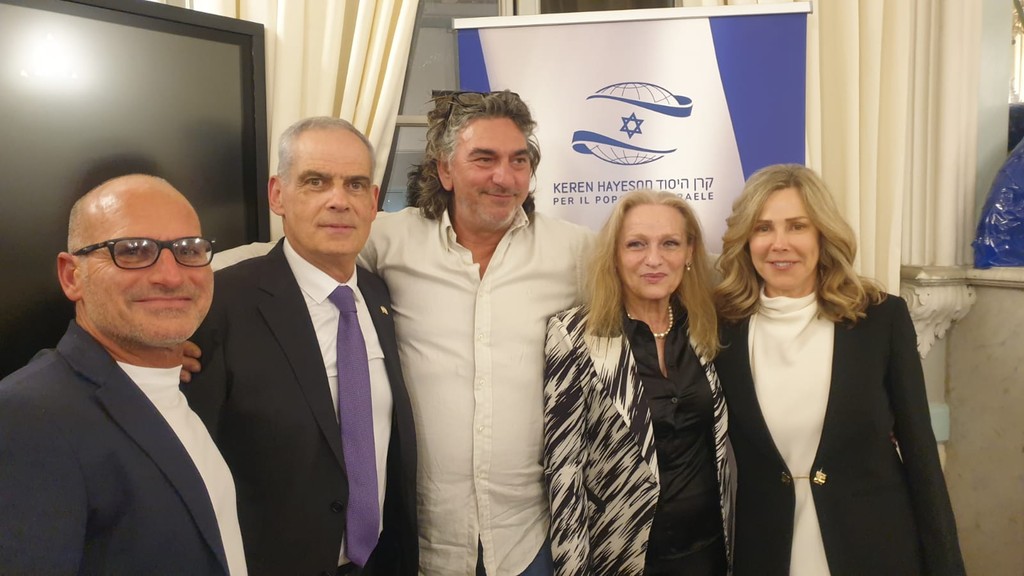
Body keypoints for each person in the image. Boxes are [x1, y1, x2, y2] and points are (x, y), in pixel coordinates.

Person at [358, 90, 593, 575]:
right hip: (423, 544)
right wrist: (196, 315)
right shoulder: (388, 241)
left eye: (518, 160)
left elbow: (681, 274)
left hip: (530, 541)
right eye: (484, 159)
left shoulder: (573, 252)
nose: (504, 177)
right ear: (445, 170)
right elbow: (292, 261)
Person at [182, 117, 418, 575]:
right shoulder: (217, 306)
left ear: (373, 202)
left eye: (355, 185)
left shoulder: (380, 295)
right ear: (277, 195)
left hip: (380, 563)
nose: (338, 200)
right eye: (316, 182)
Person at [713, 164, 965, 575]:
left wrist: (947, 566)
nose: (779, 244)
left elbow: (920, 453)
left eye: (797, 226)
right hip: (766, 552)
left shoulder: (880, 319)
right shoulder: (721, 328)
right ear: (746, 239)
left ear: (822, 234)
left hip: (876, 550)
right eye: (763, 228)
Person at [0, 175, 245, 575]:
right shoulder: (29, 415)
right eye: (132, 251)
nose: (171, 276)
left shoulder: (175, 388)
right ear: (71, 276)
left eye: (188, 250)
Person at [543, 190, 731, 576]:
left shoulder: (706, 327)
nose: (654, 259)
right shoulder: (573, 335)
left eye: (670, 243)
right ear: (614, 254)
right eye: (636, 244)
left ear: (690, 252)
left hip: (710, 552)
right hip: (623, 555)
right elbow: (564, 472)